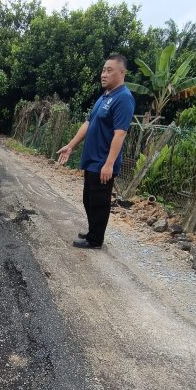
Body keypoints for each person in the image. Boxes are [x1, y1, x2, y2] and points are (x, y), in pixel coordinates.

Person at [57, 54, 135, 249]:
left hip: (103, 162)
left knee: (99, 202)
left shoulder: (123, 98)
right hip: (92, 160)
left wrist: (109, 164)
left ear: (122, 72)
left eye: (109, 70)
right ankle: (93, 230)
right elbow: (88, 123)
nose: (104, 74)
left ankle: (95, 239)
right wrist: (71, 145)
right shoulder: (104, 97)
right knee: (88, 199)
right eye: (103, 70)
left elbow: (120, 134)